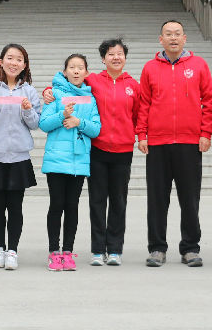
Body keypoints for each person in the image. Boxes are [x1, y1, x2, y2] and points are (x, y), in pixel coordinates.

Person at [41, 38, 141, 267]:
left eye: (119, 53)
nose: (116, 57)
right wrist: (49, 91)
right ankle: (96, 250)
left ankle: (113, 249)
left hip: (120, 149)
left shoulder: (132, 85)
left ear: (125, 57)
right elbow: (62, 89)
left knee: (117, 201)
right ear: (103, 59)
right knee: (95, 201)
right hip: (95, 151)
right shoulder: (94, 81)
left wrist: (138, 135)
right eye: (111, 54)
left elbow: (137, 114)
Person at [137, 20, 212, 268]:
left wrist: (206, 133)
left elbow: (210, 101)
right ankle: (157, 248)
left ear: (184, 38)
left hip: (189, 142)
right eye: (168, 34)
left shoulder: (199, 65)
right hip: (158, 143)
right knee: (157, 199)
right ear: (161, 39)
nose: (173, 38)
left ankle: (190, 248)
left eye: (177, 34)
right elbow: (144, 103)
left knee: (189, 199)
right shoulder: (150, 68)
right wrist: (142, 134)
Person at [0, 44, 42, 271]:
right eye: (10, 58)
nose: (14, 63)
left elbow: (36, 123)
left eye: (19, 59)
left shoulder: (29, 91)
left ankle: (12, 250)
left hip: (19, 157)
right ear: (1, 62)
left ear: (24, 65)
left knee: (15, 206)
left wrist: (28, 110)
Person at [39, 54, 101, 271]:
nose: (76, 71)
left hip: (79, 161)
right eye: (72, 67)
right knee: (57, 205)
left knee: (72, 207)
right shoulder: (54, 94)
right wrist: (62, 115)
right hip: (57, 160)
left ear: (86, 72)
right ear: (64, 72)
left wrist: (78, 122)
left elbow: (96, 129)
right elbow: (44, 124)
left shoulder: (90, 98)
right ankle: (53, 252)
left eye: (80, 67)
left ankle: (67, 252)